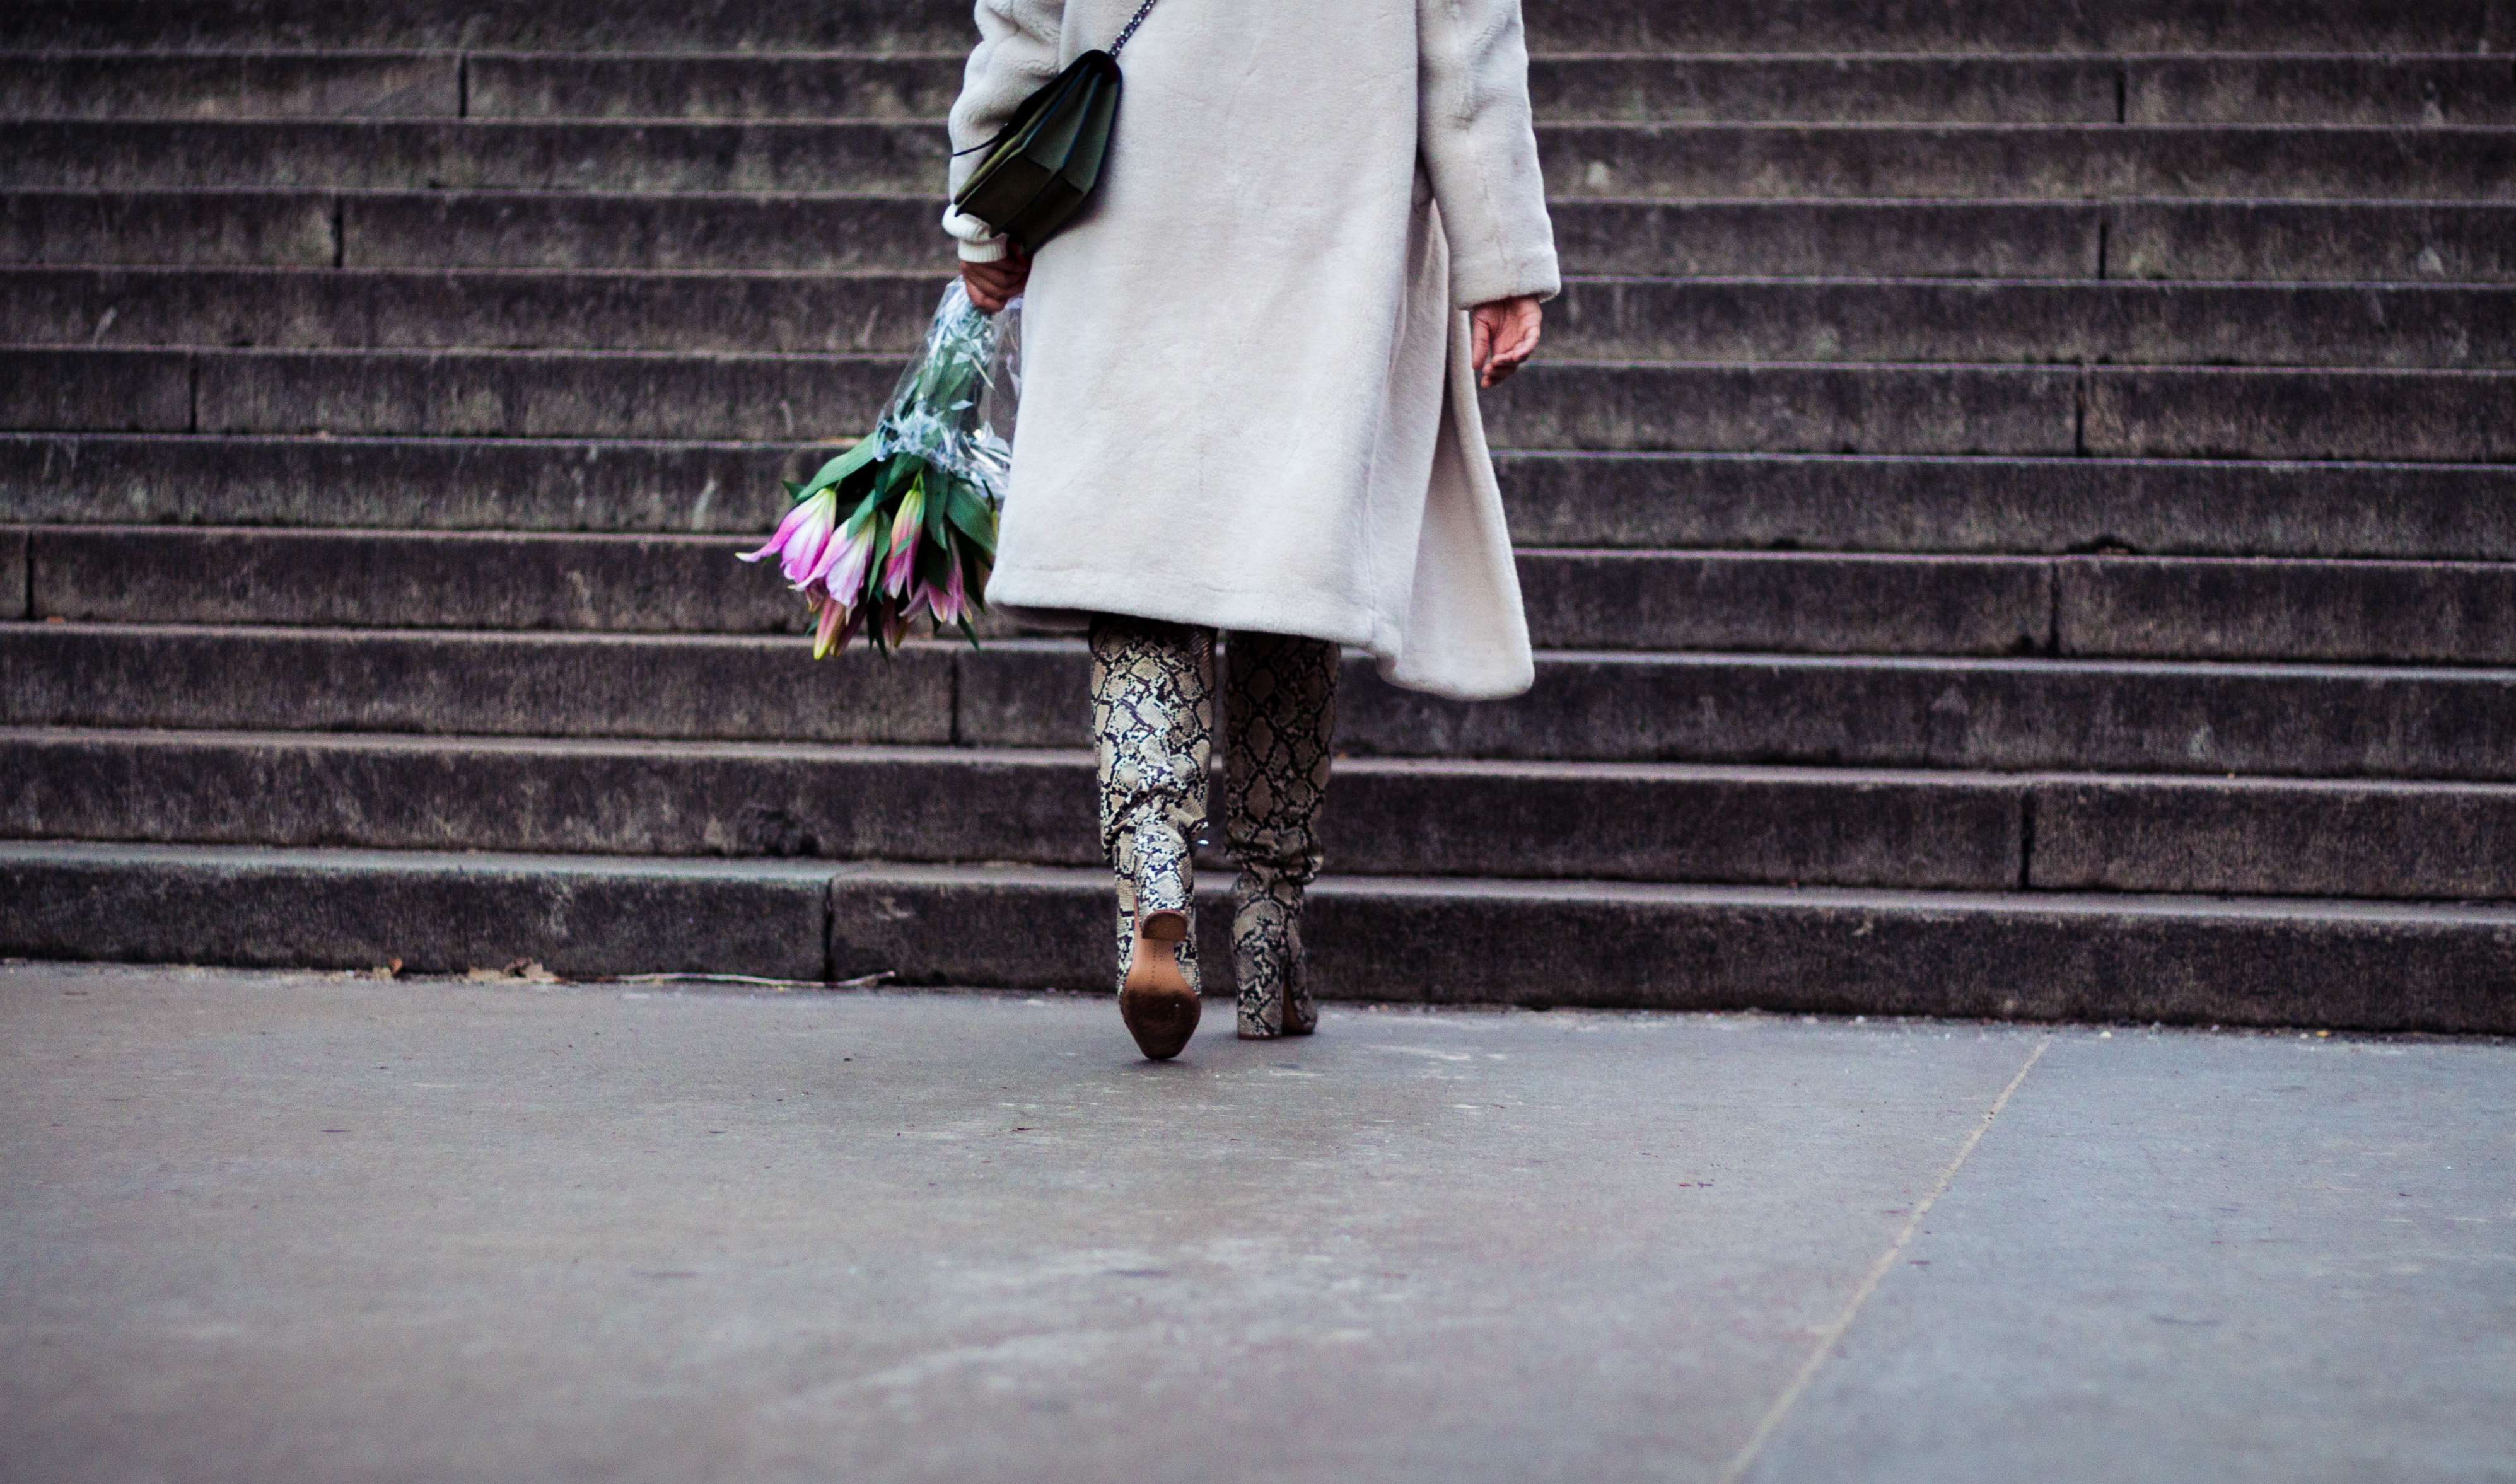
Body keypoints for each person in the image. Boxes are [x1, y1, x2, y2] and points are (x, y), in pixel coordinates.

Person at [945, 0, 1557, 1059]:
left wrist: (984, 204)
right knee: (1291, 560)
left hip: (1126, 196)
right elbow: (1467, 48)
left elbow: (1023, 16)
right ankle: (1271, 928)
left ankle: (1152, 872)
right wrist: (1500, 259)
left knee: (1139, 562)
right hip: (1333, 208)